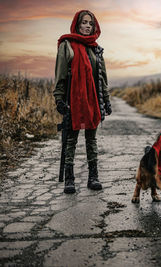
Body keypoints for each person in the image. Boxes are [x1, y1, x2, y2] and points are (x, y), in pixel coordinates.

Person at [53, 10, 112, 194]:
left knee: (91, 139)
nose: (87, 26)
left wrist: (107, 100)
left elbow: (101, 78)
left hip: (93, 99)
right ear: (77, 24)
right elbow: (60, 75)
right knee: (71, 139)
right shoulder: (67, 45)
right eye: (84, 22)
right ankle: (69, 180)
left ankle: (93, 177)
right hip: (74, 99)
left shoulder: (96, 48)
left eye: (90, 23)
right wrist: (59, 98)